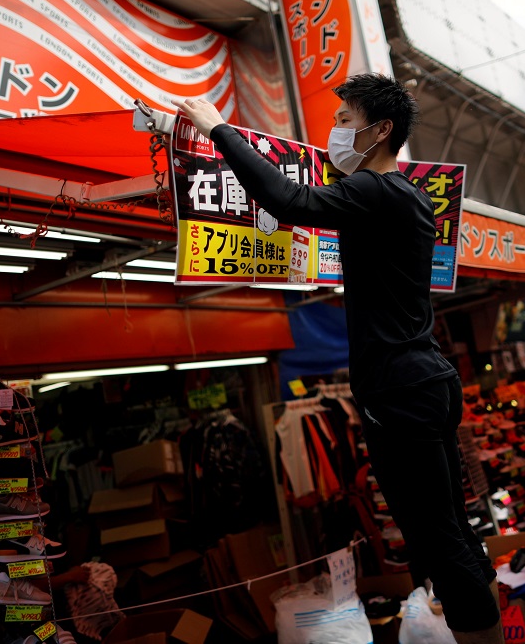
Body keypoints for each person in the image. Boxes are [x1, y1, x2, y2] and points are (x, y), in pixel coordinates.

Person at [175, 75, 503, 644]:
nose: (335, 132)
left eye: (346, 120)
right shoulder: (404, 196)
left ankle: (482, 635)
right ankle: (483, 625)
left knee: (435, 533)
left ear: (381, 131)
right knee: (447, 527)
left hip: (402, 390)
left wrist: (216, 129)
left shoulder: (378, 193)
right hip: (423, 381)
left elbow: (288, 199)